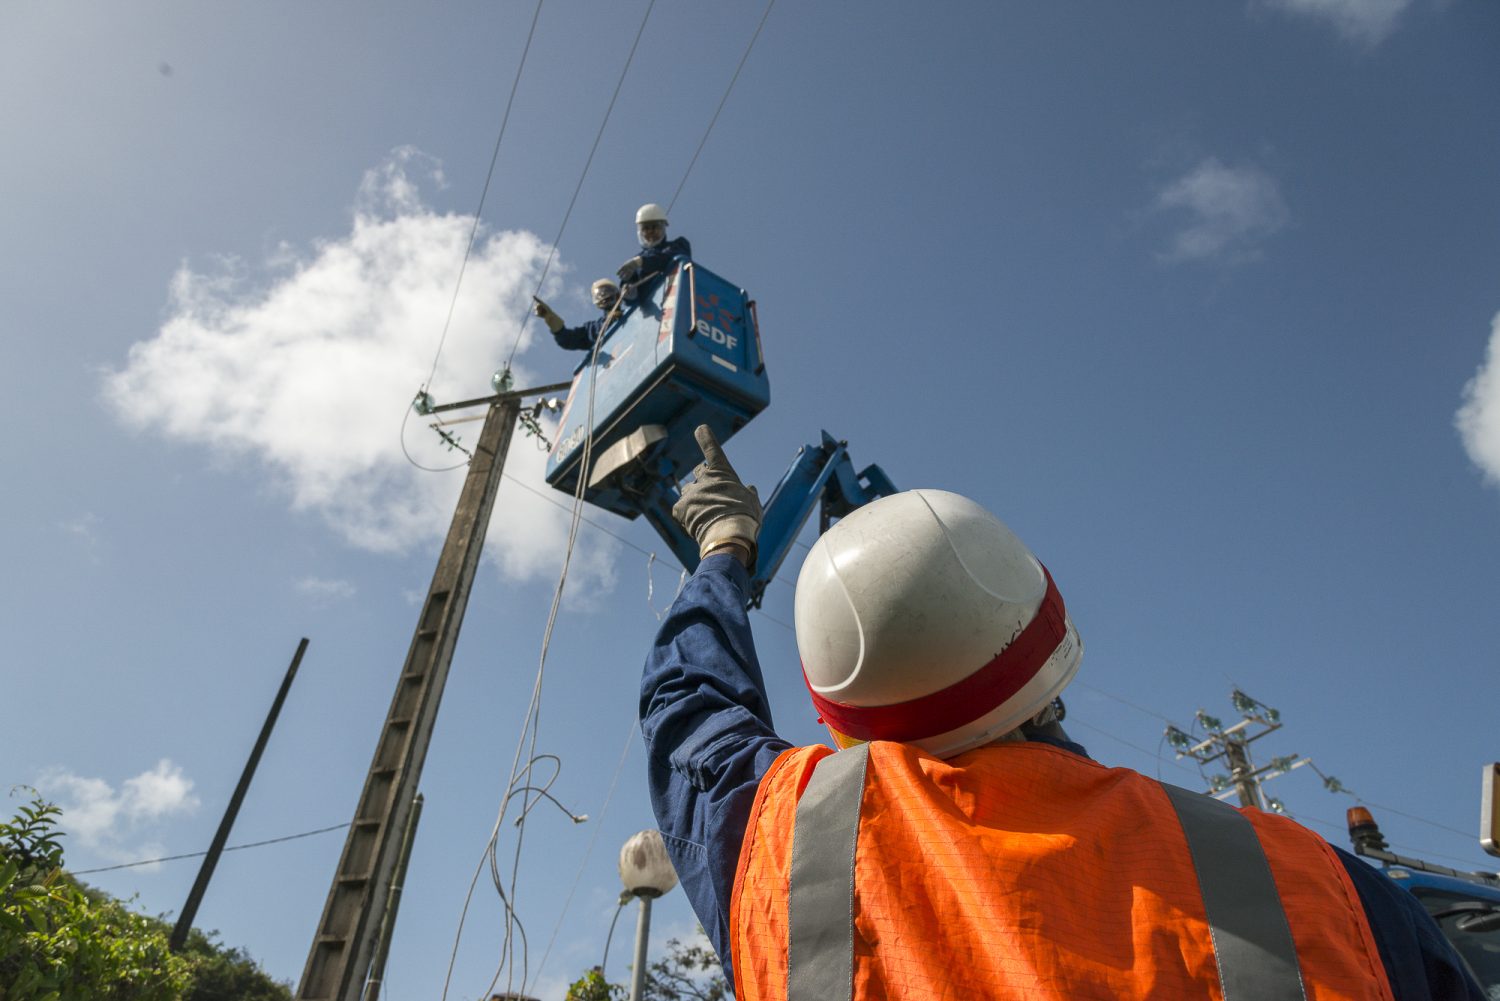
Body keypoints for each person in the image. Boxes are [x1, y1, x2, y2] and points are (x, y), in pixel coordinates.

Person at [641, 425, 1483, 1000]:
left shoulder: (790, 854)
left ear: (839, 717)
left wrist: (724, 547)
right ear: (1051, 646)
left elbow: (688, 704)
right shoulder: (1323, 889)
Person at [617, 203, 691, 302]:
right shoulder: (637, 262)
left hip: (676, 298)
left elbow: (665, 259)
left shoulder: (678, 245)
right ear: (640, 232)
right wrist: (627, 291)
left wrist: (642, 261)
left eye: (655, 227)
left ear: (663, 228)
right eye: (646, 228)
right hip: (651, 311)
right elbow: (631, 293)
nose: (650, 232)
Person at [531, 278, 621, 352]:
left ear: (617, 294)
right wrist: (551, 319)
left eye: (607, 291)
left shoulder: (633, 310)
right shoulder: (592, 329)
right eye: (599, 294)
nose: (604, 296)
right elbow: (568, 339)